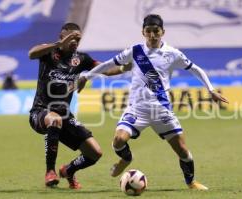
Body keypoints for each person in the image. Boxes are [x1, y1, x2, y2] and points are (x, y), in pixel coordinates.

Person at [77, 14, 229, 190]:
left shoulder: (172, 54)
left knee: (182, 150)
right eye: (148, 31)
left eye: (156, 31)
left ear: (162, 32)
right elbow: (109, 64)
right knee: (118, 140)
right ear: (143, 32)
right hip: (137, 109)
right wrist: (87, 76)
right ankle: (126, 158)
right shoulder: (135, 51)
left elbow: (196, 69)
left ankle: (191, 182)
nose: (152, 35)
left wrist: (210, 89)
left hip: (161, 111)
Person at [28, 23, 127, 189]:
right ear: (62, 36)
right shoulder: (49, 52)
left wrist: (127, 66)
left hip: (64, 116)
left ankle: (68, 170)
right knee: (54, 120)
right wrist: (59, 44)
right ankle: (50, 172)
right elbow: (31, 54)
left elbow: (107, 70)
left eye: (78, 38)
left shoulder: (81, 59)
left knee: (94, 153)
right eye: (72, 37)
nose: (75, 41)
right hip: (40, 112)